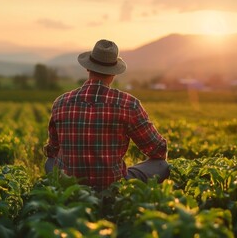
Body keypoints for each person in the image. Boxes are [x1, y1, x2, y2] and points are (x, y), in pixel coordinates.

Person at [43, 39, 169, 191]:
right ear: (114, 73)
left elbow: (52, 150)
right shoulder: (129, 104)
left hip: (70, 185)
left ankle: (67, 189)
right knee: (162, 165)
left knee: (49, 162)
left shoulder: (61, 102)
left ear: (88, 68)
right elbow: (158, 150)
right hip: (112, 187)